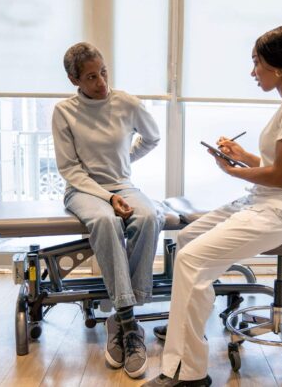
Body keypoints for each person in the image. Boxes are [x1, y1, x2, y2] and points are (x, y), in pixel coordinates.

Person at [143, 26, 282, 386]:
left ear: (277, 67)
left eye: (256, 63)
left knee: (192, 259)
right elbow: (279, 163)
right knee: (187, 241)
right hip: (269, 199)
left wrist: (233, 172)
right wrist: (240, 156)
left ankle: (188, 374)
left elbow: (279, 176)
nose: (252, 72)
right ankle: (186, 327)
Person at [52, 42, 165, 379]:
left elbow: (152, 137)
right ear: (74, 79)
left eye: (103, 72)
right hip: (83, 189)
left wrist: (124, 164)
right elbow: (70, 169)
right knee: (104, 221)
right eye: (90, 77)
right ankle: (130, 324)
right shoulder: (64, 111)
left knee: (150, 216)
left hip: (122, 184)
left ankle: (122, 312)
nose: (101, 82)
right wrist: (106, 196)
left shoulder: (126, 103)